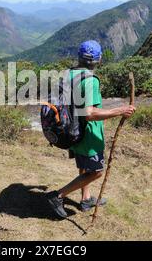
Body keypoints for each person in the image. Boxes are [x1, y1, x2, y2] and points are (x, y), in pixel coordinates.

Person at [46, 40, 136, 218]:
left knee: (84, 167)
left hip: (72, 131)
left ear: (79, 57)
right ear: (99, 59)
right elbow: (89, 113)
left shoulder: (68, 73)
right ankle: (57, 196)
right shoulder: (90, 80)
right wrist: (120, 110)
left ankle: (86, 198)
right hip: (88, 134)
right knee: (96, 172)